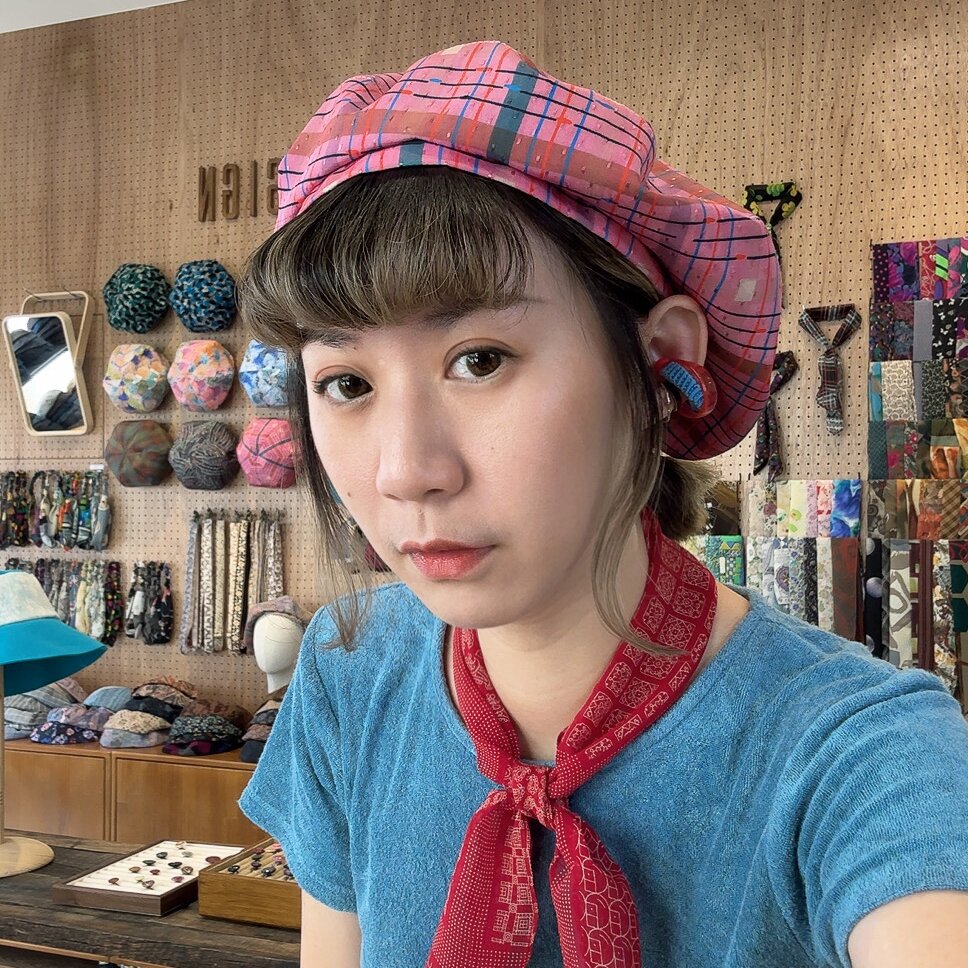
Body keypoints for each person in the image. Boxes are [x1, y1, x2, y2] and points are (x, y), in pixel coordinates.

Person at [236, 41, 968, 968]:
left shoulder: (860, 750)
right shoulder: (351, 672)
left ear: (661, 364)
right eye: (346, 383)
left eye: (480, 360)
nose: (406, 471)